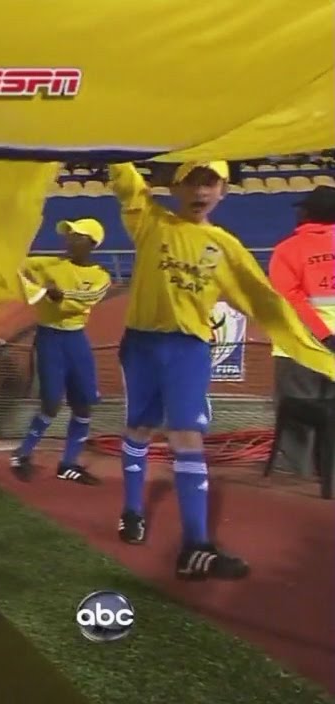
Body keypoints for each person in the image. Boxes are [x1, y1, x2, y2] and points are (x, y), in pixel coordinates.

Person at [108, 160, 335, 580]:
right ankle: (132, 510)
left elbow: (263, 299)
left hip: (188, 349)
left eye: (211, 183)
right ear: (175, 188)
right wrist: (111, 147)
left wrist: (312, 345)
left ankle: (195, 546)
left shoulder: (226, 247)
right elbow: (126, 181)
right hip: (140, 345)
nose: (201, 191)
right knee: (138, 427)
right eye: (193, 181)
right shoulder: (150, 222)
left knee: (186, 436)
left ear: (224, 192)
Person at [10, 218, 111, 485]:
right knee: (51, 403)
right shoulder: (48, 264)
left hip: (76, 340)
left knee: (83, 404)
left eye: (77, 235)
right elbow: (14, 268)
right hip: (50, 337)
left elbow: (81, 302)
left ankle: (68, 464)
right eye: (69, 234)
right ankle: (21, 455)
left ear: (91, 243)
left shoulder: (101, 277)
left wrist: (57, 295)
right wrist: (39, 290)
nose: (69, 239)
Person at [267, 186, 335, 474]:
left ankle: (300, 479)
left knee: (297, 418)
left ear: (307, 213)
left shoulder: (288, 249)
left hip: (299, 348)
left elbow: (289, 299)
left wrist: (324, 335)